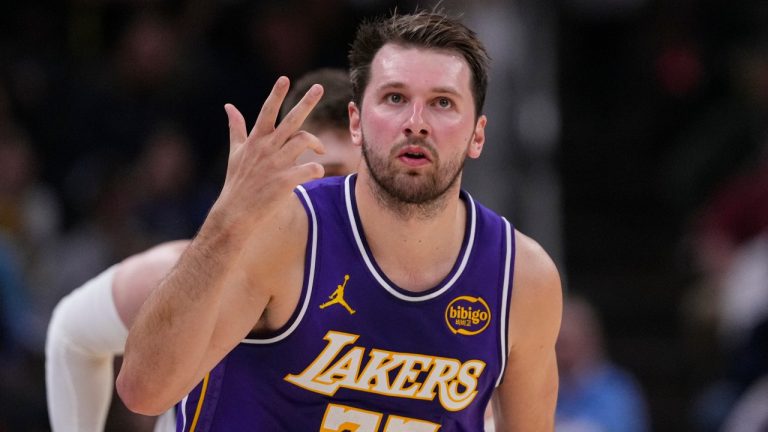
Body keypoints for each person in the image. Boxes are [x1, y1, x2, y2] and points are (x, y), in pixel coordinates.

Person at [117, 10, 562, 431]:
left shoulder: (522, 277)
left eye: (442, 103)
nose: (416, 123)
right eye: (394, 98)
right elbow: (142, 391)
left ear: (477, 135)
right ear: (356, 123)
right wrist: (226, 221)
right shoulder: (282, 229)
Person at [44, 68, 359, 432]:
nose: (332, 193)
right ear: (275, 175)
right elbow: (72, 333)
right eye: (319, 175)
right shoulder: (193, 276)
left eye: (348, 178)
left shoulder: (407, 286)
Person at [555, 296, 650, 432]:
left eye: (566, 342)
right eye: (557, 343)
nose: (560, 352)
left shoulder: (617, 389)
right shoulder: (545, 387)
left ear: (590, 339)